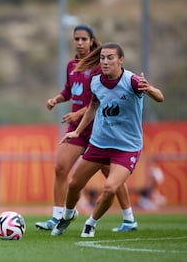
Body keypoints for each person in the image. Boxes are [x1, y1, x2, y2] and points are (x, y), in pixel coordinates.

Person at [51, 42, 164, 237]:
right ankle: (67, 216)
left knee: (111, 187)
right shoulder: (95, 82)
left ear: (121, 60)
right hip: (100, 143)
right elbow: (93, 107)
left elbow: (160, 97)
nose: (105, 61)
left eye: (110, 57)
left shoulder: (132, 81)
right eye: (102, 58)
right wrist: (77, 132)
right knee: (74, 185)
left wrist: (150, 90)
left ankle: (91, 223)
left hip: (126, 147)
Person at [35, 25, 138, 232]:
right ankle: (57, 216)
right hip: (77, 129)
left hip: (100, 130)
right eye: (76, 39)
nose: (80, 42)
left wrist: (77, 113)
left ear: (92, 41)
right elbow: (69, 90)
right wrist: (56, 99)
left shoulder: (102, 65)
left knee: (112, 178)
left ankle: (128, 218)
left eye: (84, 39)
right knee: (60, 168)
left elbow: (99, 101)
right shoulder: (71, 65)